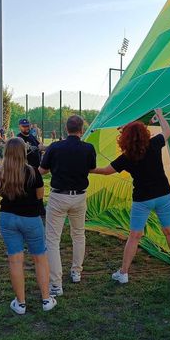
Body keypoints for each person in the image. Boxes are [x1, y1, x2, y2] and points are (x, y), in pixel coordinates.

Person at [91, 108, 170, 283]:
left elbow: (105, 171)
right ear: (144, 133)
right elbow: (168, 131)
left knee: (134, 236)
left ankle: (124, 273)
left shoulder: (127, 157)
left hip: (142, 200)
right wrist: (160, 115)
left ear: (124, 138)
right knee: (169, 231)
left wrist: (88, 169)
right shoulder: (155, 144)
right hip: (163, 195)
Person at [0, 137, 57, 314]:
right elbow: (39, 196)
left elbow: (0, 192)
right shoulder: (32, 172)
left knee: (15, 260)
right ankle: (46, 299)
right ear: (24, 152)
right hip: (30, 219)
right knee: (40, 258)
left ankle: (20, 303)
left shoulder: (0, 172)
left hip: (7, 218)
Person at [39, 115, 96, 295]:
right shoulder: (88, 148)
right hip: (79, 197)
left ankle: (56, 283)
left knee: (53, 240)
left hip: (59, 197)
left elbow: (42, 170)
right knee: (79, 235)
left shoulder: (55, 147)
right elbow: (91, 168)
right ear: (81, 129)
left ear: (66, 128)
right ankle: (76, 272)